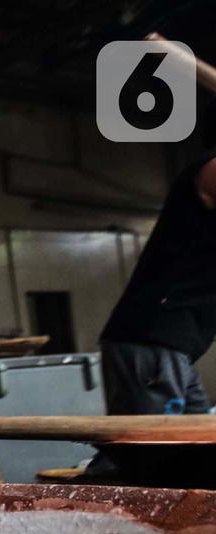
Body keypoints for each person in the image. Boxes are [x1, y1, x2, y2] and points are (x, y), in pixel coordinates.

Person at [98, 144, 216, 420]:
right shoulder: (211, 169)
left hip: (174, 346)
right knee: (151, 452)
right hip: (153, 339)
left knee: (197, 447)